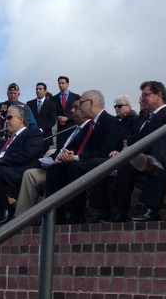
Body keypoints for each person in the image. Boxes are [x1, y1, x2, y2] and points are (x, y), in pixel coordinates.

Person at [100, 81, 166, 223]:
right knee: (123, 164)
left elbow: (157, 137)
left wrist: (133, 143)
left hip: (161, 158)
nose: (141, 99)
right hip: (138, 158)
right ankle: (119, 210)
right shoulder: (143, 118)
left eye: (145, 95)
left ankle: (147, 210)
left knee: (141, 164)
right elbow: (132, 138)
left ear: (159, 95)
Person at [43, 90, 123, 222]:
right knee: (54, 169)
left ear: (91, 103)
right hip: (84, 160)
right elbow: (81, 147)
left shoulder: (110, 122)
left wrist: (74, 158)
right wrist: (69, 155)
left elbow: (105, 151)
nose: (79, 107)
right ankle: (56, 216)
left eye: (81, 103)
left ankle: (76, 215)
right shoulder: (89, 125)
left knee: (75, 167)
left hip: (100, 162)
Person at [0, 105, 43, 226]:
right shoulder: (9, 139)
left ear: (21, 119)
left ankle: (4, 208)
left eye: (9, 118)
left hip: (18, 171)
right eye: (6, 118)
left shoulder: (32, 133)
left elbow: (28, 154)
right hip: (1, 169)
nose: (6, 121)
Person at [53, 76, 80, 148]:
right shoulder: (54, 98)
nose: (60, 85)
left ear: (67, 84)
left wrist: (67, 118)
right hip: (60, 129)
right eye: (59, 83)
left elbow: (79, 112)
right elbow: (52, 112)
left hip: (72, 127)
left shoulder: (76, 97)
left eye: (62, 83)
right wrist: (58, 117)